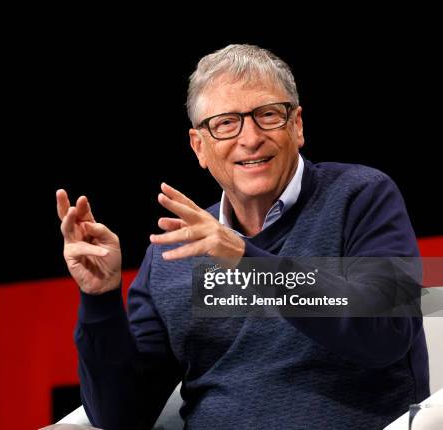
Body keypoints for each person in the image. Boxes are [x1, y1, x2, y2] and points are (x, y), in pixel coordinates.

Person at [56, 44, 429, 429]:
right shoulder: (175, 251)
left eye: (268, 115)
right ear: (199, 146)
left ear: (297, 125)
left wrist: (245, 260)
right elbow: (120, 416)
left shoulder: (361, 196)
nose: (250, 139)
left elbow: (388, 332)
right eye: (225, 123)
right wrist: (99, 300)